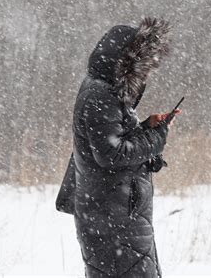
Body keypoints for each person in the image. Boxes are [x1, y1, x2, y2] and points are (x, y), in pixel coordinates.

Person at [71, 17, 180, 277]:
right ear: (127, 65)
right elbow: (112, 154)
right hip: (113, 219)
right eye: (144, 67)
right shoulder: (101, 95)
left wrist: (145, 129)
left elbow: (111, 140)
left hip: (117, 215)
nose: (147, 74)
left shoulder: (103, 92)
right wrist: (157, 137)